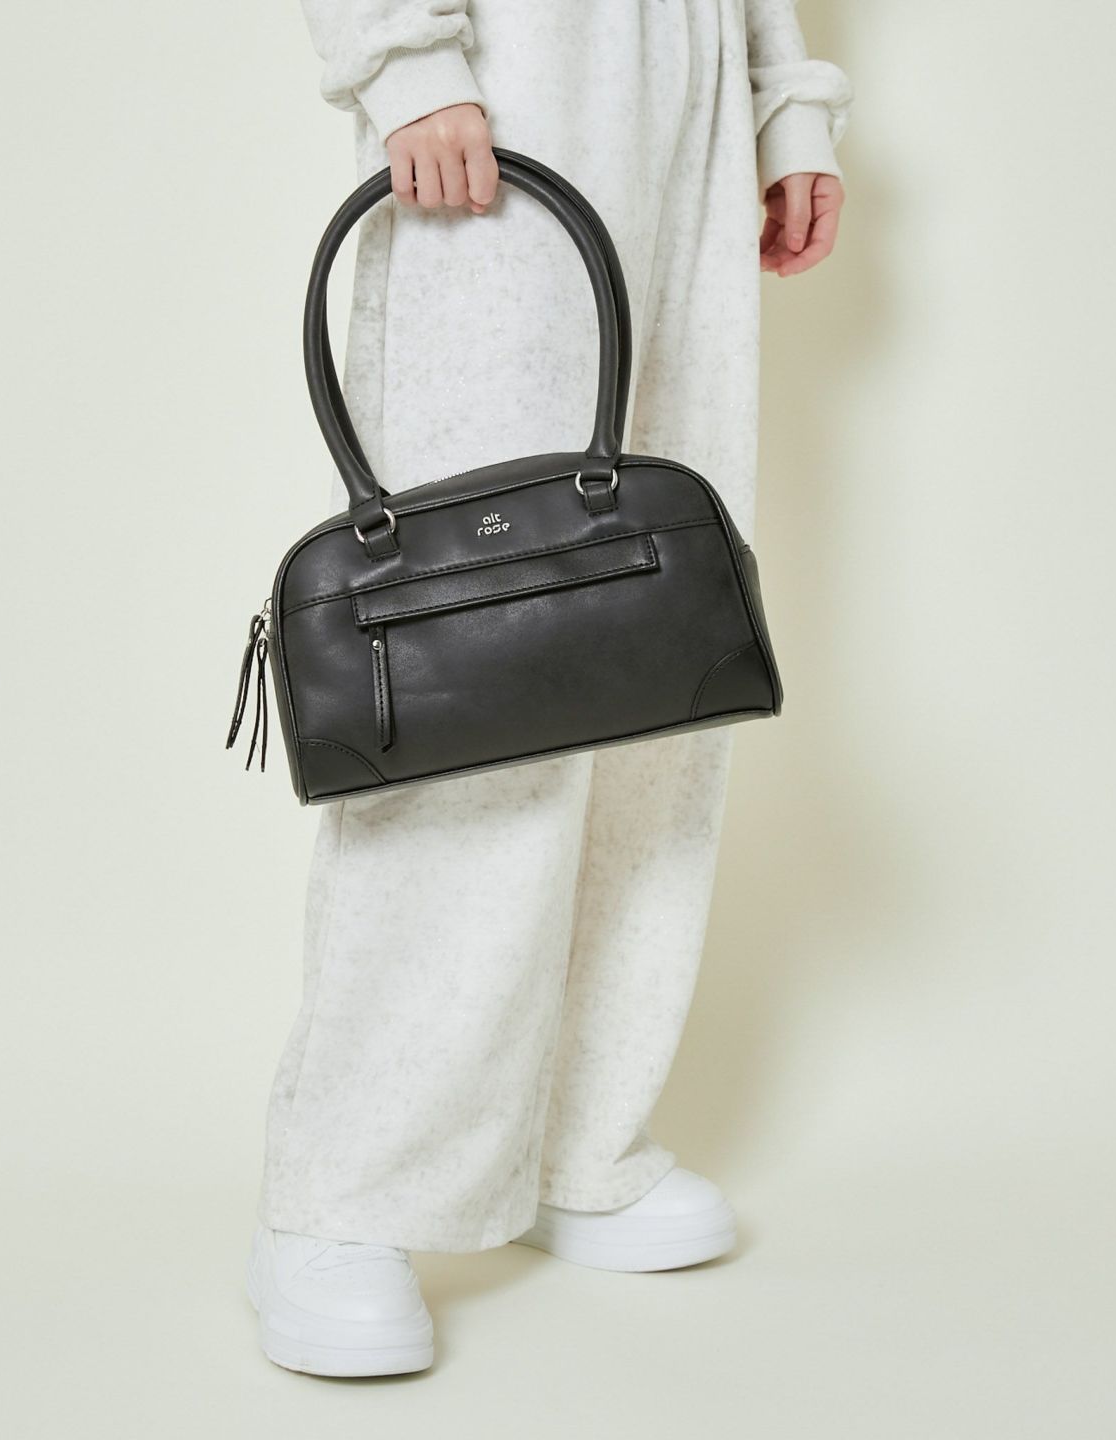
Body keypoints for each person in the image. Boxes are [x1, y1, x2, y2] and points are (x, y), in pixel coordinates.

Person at [245, 0, 852, 1377]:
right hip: (514, 55)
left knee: (650, 641)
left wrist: (781, 94)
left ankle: (575, 1138)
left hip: (696, 69)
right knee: (470, 664)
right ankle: (345, 1191)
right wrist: (404, 55)